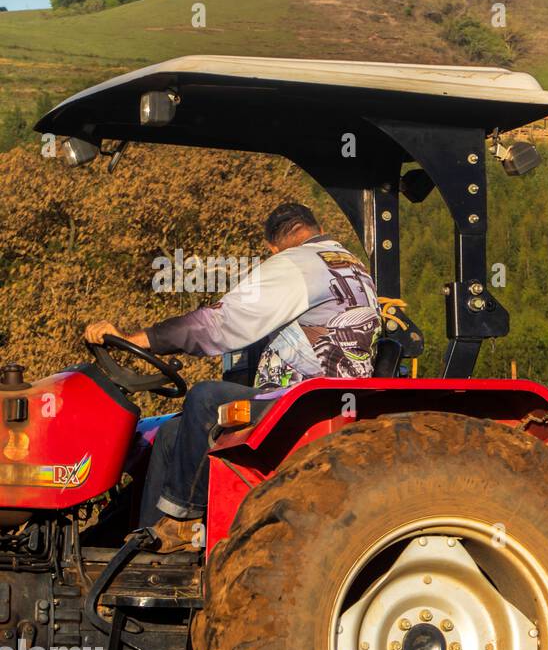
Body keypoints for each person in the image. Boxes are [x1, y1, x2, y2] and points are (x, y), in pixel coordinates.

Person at [83, 202, 380, 552]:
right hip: (321, 399)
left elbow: (219, 325)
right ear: (312, 228)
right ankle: (146, 549)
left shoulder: (295, 265)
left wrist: (139, 339)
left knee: (206, 398)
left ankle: (184, 523)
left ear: (272, 246)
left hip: (303, 402)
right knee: (172, 434)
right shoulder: (350, 263)